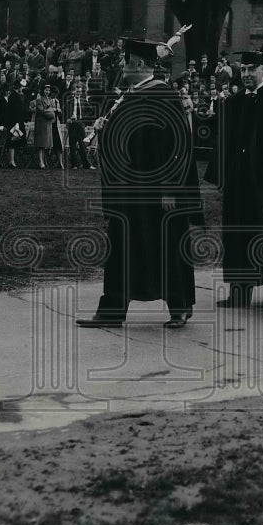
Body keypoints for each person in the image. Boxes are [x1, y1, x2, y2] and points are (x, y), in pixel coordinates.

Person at [77, 33, 201, 329]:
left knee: (167, 246)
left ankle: (180, 306)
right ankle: (112, 310)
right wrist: (103, 130)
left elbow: (178, 145)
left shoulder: (163, 94)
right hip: (128, 191)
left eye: (125, 62)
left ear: (139, 64)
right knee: (121, 248)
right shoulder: (129, 96)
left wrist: (172, 187)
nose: (122, 67)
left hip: (157, 192)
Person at [205, 51, 263, 309]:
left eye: (251, 69)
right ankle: (239, 292)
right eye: (242, 70)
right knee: (237, 233)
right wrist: (222, 176)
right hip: (239, 181)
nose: (245, 74)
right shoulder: (234, 102)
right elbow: (223, 141)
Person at [0, 82, 27, 168]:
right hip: (15, 123)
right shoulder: (14, 96)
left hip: (15, 122)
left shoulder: (14, 96)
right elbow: (15, 111)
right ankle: (11, 161)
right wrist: (16, 123)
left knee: (14, 141)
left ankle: (12, 160)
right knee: (13, 141)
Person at [32, 83, 63, 169]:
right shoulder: (39, 99)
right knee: (41, 144)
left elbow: (52, 109)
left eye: (49, 90)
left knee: (45, 144)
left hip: (48, 123)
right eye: (46, 90)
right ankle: (41, 162)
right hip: (41, 123)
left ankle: (43, 162)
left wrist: (52, 111)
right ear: (43, 90)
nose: (47, 92)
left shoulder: (50, 99)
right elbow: (41, 110)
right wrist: (52, 112)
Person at [64, 80, 94, 170]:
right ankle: (74, 164)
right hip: (72, 123)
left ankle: (86, 164)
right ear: (74, 91)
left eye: (80, 91)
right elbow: (64, 111)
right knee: (72, 144)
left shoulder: (83, 100)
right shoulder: (69, 100)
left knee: (82, 143)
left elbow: (91, 110)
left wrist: (84, 118)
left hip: (80, 122)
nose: (78, 93)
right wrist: (67, 118)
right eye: (77, 91)